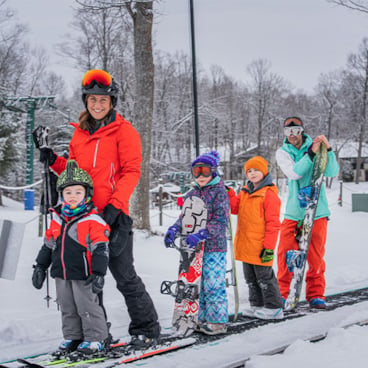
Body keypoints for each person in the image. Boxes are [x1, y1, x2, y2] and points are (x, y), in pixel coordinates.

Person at [34, 69, 160, 347]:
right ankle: (97, 334)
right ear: (86, 101)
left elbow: (131, 171)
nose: (98, 104)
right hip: (82, 218)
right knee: (88, 279)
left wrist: (116, 206)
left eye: (103, 100)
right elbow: (73, 172)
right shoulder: (80, 134)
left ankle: (146, 328)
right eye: (92, 99)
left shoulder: (124, 132)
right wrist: (52, 159)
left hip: (113, 216)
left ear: (112, 101)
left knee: (124, 275)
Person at [32, 160, 110, 354]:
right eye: (68, 193)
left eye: (77, 192)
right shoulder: (58, 220)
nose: (73, 197)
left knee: (87, 306)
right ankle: (73, 336)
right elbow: (48, 245)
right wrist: (40, 266)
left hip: (84, 274)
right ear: (62, 195)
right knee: (67, 306)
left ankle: (96, 338)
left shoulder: (92, 220)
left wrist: (99, 272)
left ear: (86, 194)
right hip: (61, 273)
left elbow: (101, 248)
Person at [275, 116, 339, 309]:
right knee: (286, 252)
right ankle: (283, 293)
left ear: (302, 130)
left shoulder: (316, 145)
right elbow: (294, 173)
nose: (292, 135)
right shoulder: (283, 152)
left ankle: (316, 293)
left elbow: (331, 172)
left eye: (296, 130)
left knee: (315, 254)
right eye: (288, 131)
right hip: (295, 210)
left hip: (317, 209)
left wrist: (327, 150)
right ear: (284, 133)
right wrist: (310, 155)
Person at [164, 150, 230, 335]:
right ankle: (198, 317)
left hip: (214, 247)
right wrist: (174, 229)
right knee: (196, 285)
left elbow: (220, 221)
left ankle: (217, 322)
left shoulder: (219, 192)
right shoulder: (192, 193)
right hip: (193, 249)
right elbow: (185, 217)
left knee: (213, 283)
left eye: (205, 171)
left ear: (213, 171)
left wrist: (203, 233)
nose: (201, 176)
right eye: (196, 171)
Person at [227, 156, 284, 320]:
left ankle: (274, 307)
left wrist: (269, 247)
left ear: (264, 171)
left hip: (261, 245)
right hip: (246, 244)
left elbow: (273, 223)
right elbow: (235, 208)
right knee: (250, 278)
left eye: (256, 170)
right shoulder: (245, 191)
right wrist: (230, 193)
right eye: (249, 171)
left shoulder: (268, 194)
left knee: (264, 277)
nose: (252, 174)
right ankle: (257, 304)